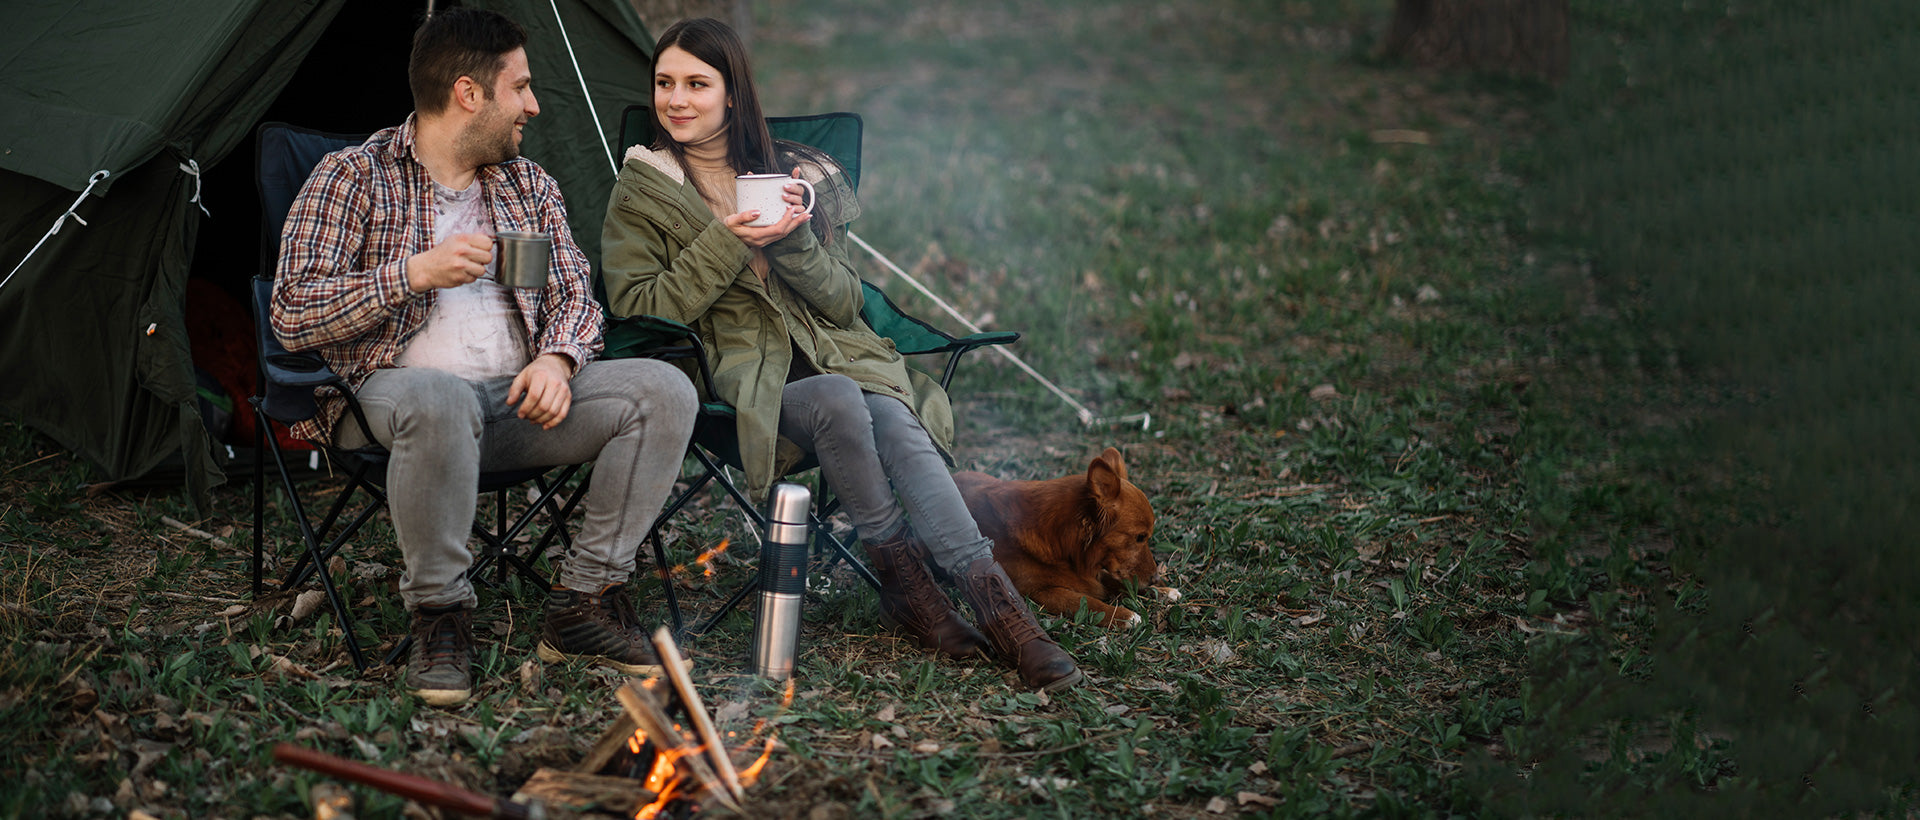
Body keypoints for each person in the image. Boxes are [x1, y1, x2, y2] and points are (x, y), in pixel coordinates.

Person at [597, 18, 1082, 692]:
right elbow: (637, 304)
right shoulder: (642, 189)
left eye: (696, 84)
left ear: (732, 93)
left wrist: (795, 238)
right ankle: (916, 593)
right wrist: (728, 242)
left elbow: (842, 304)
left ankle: (1006, 617)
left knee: (891, 417)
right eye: (665, 83)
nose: (676, 99)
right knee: (839, 396)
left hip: (836, 358)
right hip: (734, 381)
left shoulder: (784, 177)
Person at [271, 8, 698, 706]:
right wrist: (410, 275)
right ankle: (440, 613)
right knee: (437, 397)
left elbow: (576, 300)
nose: (533, 104)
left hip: (514, 403)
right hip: (388, 400)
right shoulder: (352, 177)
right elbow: (291, 312)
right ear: (469, 93)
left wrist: (558, 361)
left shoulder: (527, 185)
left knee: (664, 390)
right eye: (521, 87)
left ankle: (583, 604)